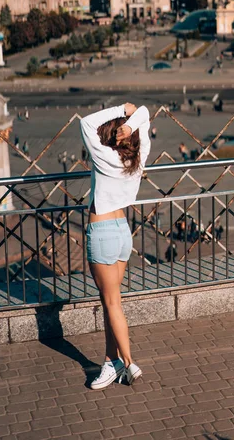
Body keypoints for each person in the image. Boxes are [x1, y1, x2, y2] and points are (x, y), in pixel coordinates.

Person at [80, 102, 151, 389]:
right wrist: (131, 123)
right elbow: (145, 115)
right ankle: (111, 362)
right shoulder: (139, 156)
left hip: (102, 233)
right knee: (110, 303)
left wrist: (120, 108)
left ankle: (129, 362)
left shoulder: (104, 156)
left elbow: (85, 122)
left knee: (112, 303)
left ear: (110, 137)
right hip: (123, 232)